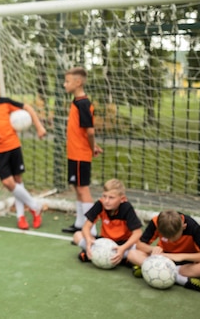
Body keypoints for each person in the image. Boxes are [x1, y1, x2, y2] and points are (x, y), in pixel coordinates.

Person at [0, 75, 47, 230]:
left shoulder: (6, 102)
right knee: (8, 183)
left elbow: (28, 108)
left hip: (13, 146)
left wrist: (39, 127)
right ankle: (35, 206)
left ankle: (21, 217)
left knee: (18, 181)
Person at [127, 209, 200, 294]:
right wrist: (152, 249)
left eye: (173, 238)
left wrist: (182, 256)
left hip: (185, 265)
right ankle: (183, 280)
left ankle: (150, 270)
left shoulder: (193, 227)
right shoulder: (157, 222)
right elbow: (139, 245)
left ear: (183, 227)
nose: (170, 241)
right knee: (132, 254)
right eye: (166, 237)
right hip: (161, 260)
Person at [61, 67, 103, 234]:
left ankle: (90, 230)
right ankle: (80, 224)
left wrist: (92, 148)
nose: (64, 84)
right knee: (77, 187)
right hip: (74, 153)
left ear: (78, 83)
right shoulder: (77, 102)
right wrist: (93, 146)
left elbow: (90, 131)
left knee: (83, 189)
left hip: (80, 154)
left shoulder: (84, 104)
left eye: (67, 81)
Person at [73, 179, 142, 266]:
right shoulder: (100, 204)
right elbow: (86, 227)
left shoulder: (126, 208)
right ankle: (122, 259)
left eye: (111, 198)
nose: (106, 201)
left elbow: (137, 233)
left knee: (140, 247)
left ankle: (118, 256)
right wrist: (89, 240)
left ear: (122, 199)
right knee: (77, 235)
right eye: (104, 196)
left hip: (122, 244)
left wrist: (122, 248)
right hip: (104, 243)